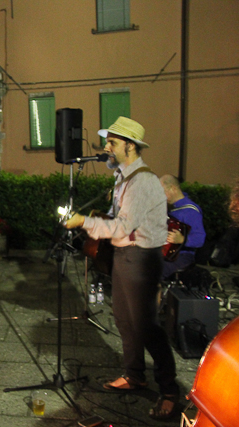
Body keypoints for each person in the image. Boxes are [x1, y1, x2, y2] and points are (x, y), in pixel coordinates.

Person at [64, 117, 179, 420]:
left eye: (112, 142)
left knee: (147, 327)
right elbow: (118, 219)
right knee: (124, 320)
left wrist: (84, 222)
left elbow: (123, 227)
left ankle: (169, 391)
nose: (106, 147)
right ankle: (134, 375)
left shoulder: (142, 181)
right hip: (126, 256)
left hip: (141, 258)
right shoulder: (123, 177)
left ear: (130, 146)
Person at [160, 175, 206, 278]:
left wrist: (182, 240)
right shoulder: (168, 208)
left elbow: (200, 239)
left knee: (153, 272)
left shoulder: (190, 210)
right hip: (164, 255)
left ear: (173, 188)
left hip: (183, 256)